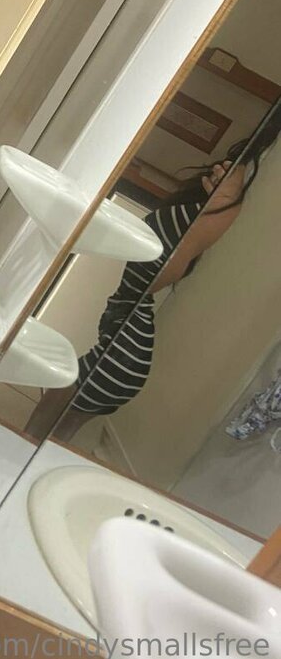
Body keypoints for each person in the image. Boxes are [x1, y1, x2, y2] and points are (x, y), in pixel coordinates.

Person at [26, 103, 281, 441]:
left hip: (126, 349)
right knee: (56, 429)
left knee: (44, 419)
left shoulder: (230, 195)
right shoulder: (232, 181)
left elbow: (172, 266)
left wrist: (213, 208)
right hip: (128, 346)